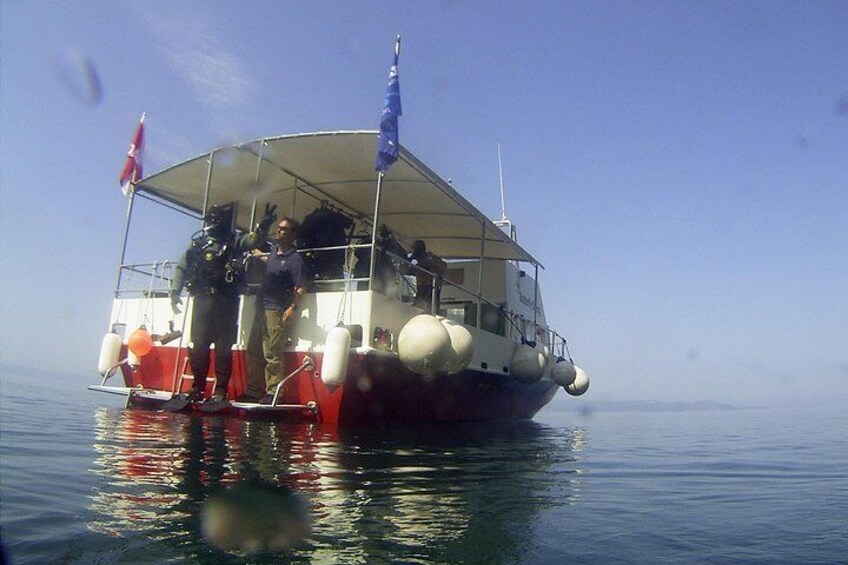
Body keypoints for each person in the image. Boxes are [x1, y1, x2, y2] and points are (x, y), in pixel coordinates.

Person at [170, 203, 275, 403]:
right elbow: (181, 268)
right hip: (201, 299)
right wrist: (175, 292)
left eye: (215, 220)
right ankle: (197, 387)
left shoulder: (234, 242)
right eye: (210, 220)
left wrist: (264, 226)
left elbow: (253, 240)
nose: (212, 224)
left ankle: (220, 389)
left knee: (222, 348)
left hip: (225, 301)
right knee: (199, 346)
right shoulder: (198, 245)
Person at [251, 217, 310, 405]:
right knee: (257, 349)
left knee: (273, 351)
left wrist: (292, 307)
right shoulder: (273, 255)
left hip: (276, 309)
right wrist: (250, 242)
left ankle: (274, 392)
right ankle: (254, 389)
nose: (279, 231)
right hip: (261, 307)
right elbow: (259, 254)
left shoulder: (295, 260)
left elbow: (301, 287)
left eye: (284, 229)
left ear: (292, 235)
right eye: (278, 228)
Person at [407, 239, 446, 312]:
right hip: (425, 284)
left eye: (415, 247)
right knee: (425, 302)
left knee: (427, 303)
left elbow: (412, 264)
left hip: (429, 284)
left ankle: (428, 313)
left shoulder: (426, 257)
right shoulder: (424, 257)